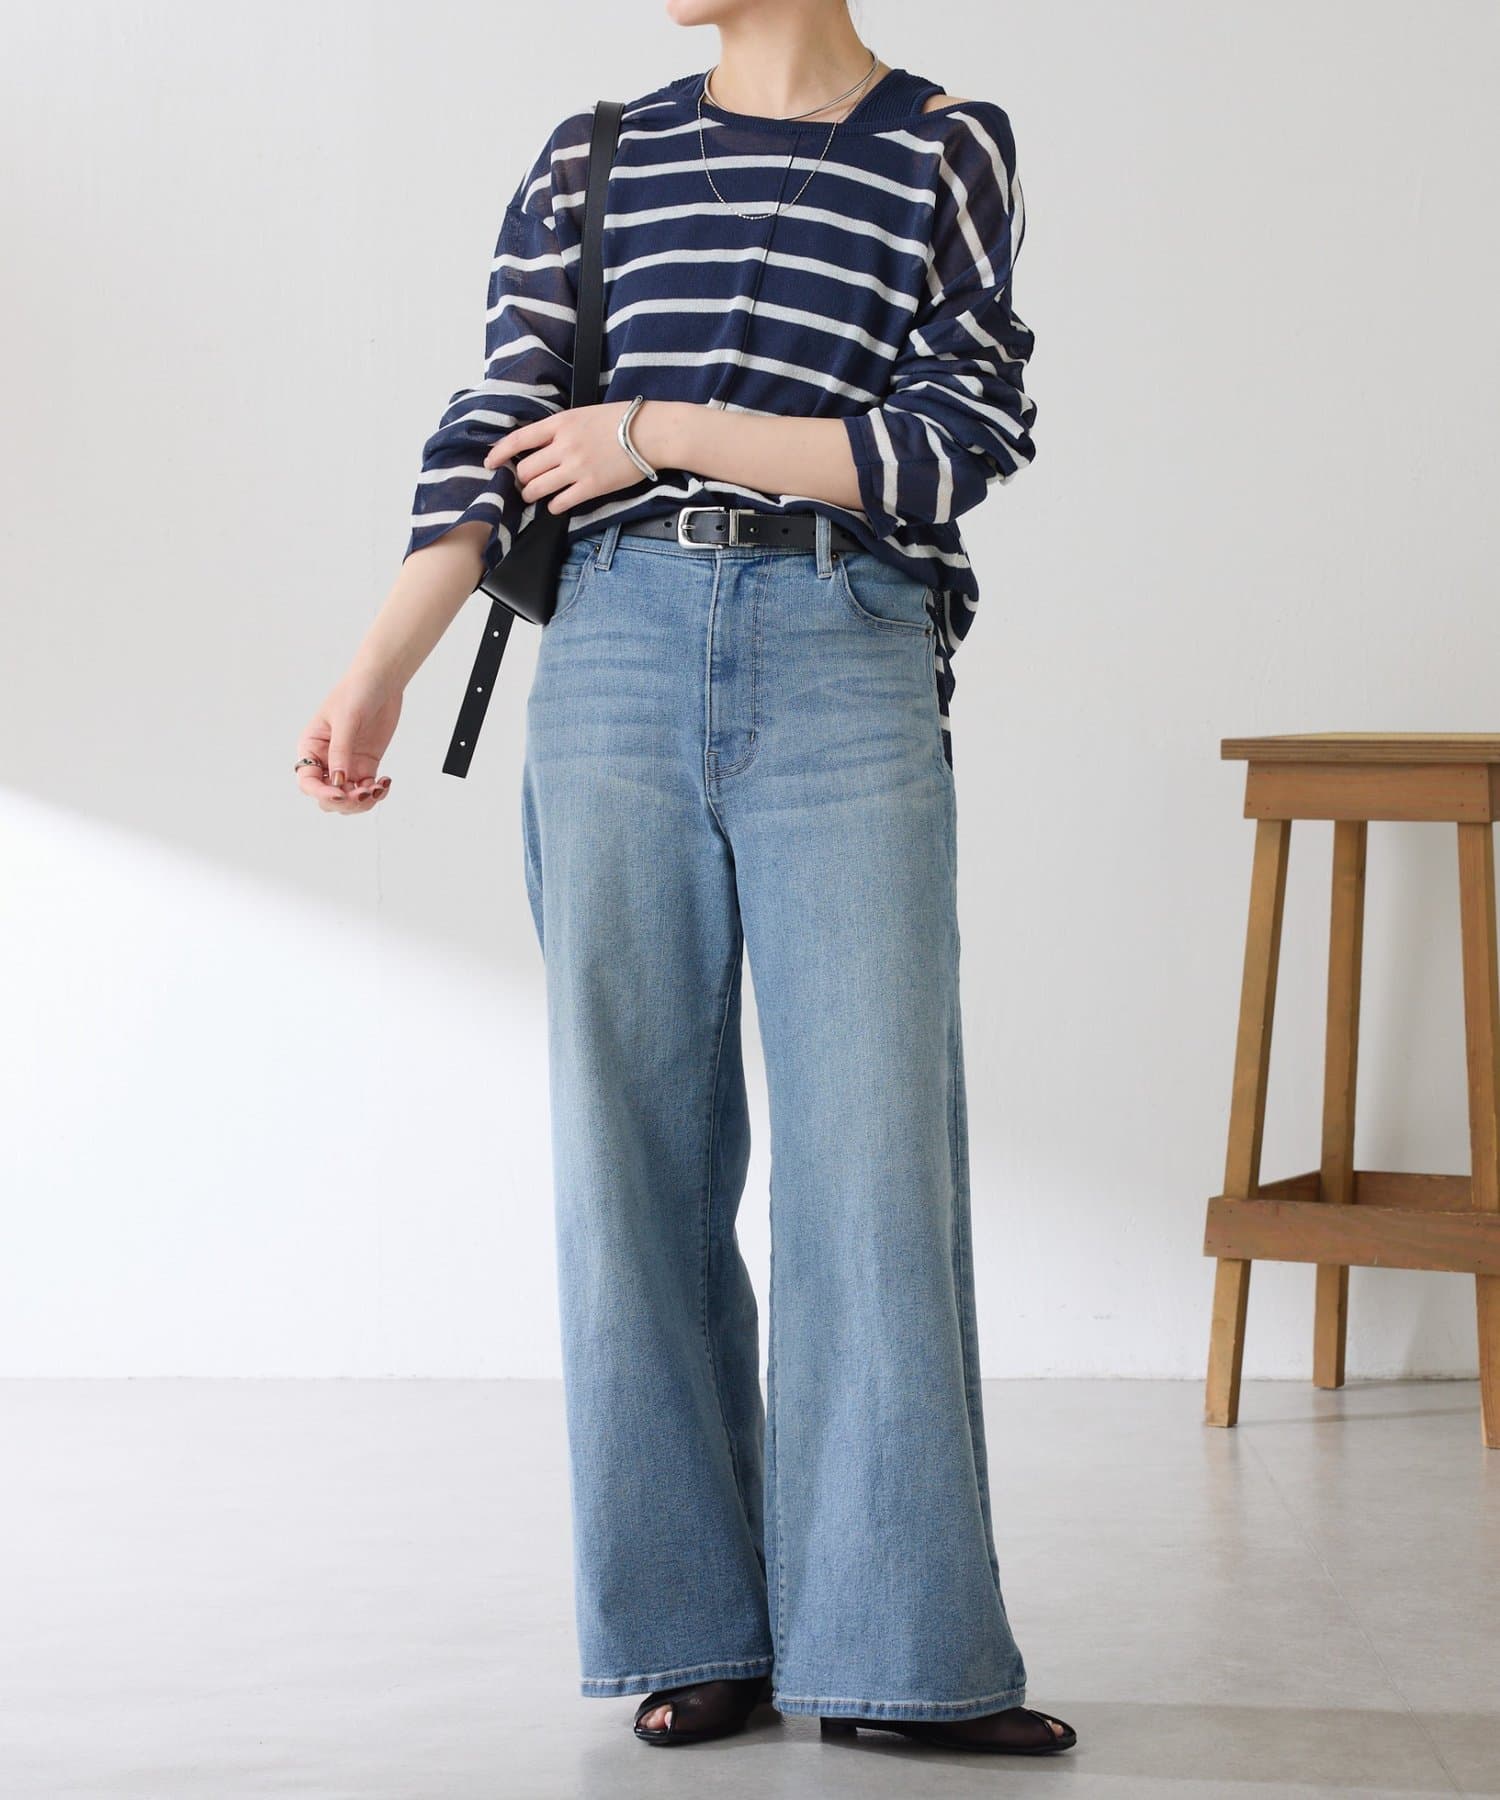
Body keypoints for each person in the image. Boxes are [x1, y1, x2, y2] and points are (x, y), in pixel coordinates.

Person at [293, 0, 1075, 1760]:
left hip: (846, 640)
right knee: (629, 1162)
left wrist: (659, 425)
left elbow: (955, 439)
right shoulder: (598, 155)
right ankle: (690, 1628)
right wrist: (382, 664)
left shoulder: (943, 142)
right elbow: (495, 429)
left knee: (874, 1159)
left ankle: (901, 1653)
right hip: (615, 656)